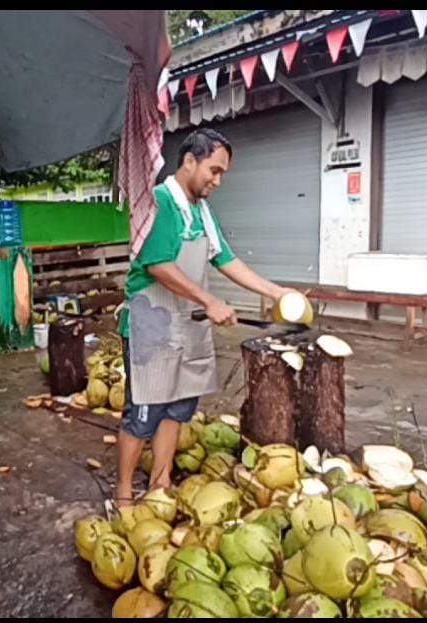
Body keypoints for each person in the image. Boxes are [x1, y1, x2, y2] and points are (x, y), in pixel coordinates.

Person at [115, 128, 304, 508]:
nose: (217, 181)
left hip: (189, 323)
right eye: (214, 170)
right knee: (144, 413)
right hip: (152, 325)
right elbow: (158, 265)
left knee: (177, 408)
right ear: (189, 161)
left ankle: (160, 484)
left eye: (222, 174)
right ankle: (122, 493)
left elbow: (226, 259)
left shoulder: (202, 211)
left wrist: (275, 292)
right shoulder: (161, 202)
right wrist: (210, 300)